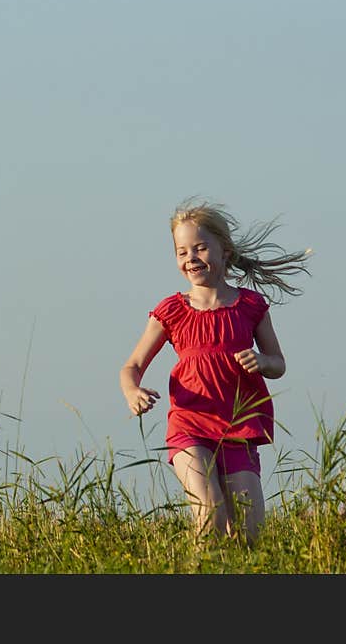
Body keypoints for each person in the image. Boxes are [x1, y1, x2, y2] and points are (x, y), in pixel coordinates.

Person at [119, 197, 311, 544]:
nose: (191, 258)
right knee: (209, 512)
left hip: (240, 427)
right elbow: (132, 366)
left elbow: (278, 362)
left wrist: (262, 361)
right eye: (182, 251)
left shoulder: (251, 306)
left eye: (200, 248)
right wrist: (133, 392)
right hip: (190, 425)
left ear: (224, 250)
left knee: (249, 532)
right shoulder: (172, 310)